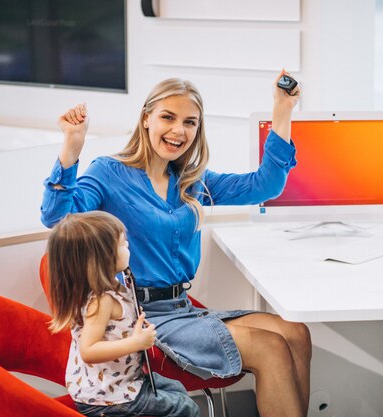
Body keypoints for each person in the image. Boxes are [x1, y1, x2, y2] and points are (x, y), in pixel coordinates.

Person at [41, 72, 312, 417]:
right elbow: (57, 219)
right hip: (141, 318)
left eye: (190, 122)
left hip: (183, 309)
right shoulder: (108, 172)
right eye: (168, 117)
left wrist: (282, 109)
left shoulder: (191, 180)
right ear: (145, 119)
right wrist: (72, 148)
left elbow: (265, 186)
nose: (178, 131)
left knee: (296, 333)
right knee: (270, 347)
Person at [48, 211, 199, 417]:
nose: (128, 247)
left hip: (122, 380)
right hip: (106, 396)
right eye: (122, 244)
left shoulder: (114, 285)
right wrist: (136, 342)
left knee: (177, 389)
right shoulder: (101, 301)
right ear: (102, 258)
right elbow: (89, 351)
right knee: (185, 408)